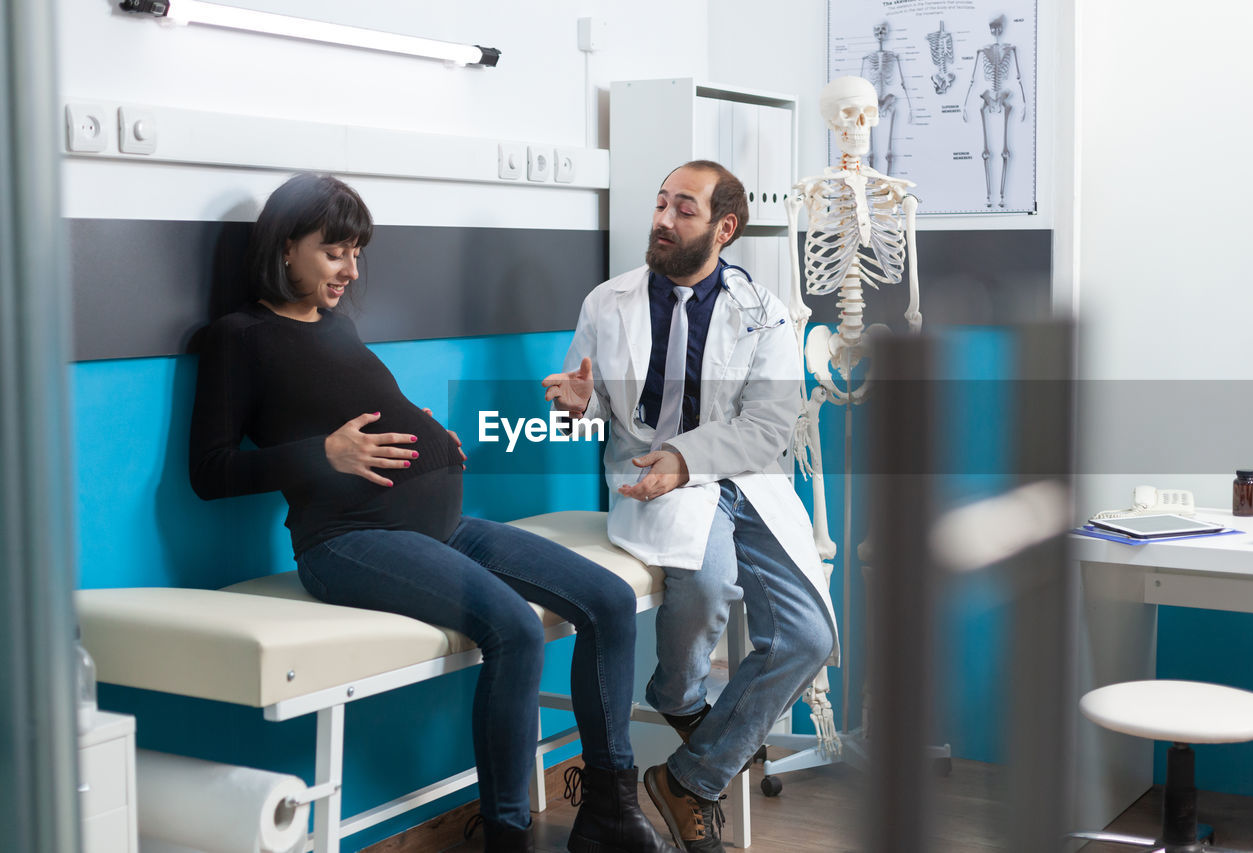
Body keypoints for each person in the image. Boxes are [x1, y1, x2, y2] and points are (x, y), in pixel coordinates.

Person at [189, 173, 676, 853]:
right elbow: (208, 472)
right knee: (516, 629)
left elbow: (354, 405)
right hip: (346, 539)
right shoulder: (236, 337)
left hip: (438, 527)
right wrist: (322, 453)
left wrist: (424, 431)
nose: (351, 269)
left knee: (607, 598)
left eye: (357, 252)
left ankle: (610, 811)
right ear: (286, 244)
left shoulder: (335, 323)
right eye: (336, 252)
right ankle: (508, 834)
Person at [542, 161, 838, 853]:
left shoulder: (765, 312)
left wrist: (689, 458)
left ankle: (690, 776)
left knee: (810, 638)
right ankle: (679, 696)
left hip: (746, 480)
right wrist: (577, 407)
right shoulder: (606, 303)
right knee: (705, 580)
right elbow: (585, 411)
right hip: (648, 477)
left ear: (723, 229)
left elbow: (769, 425)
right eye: (660, 204)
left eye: (683, 209)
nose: (662, 220)